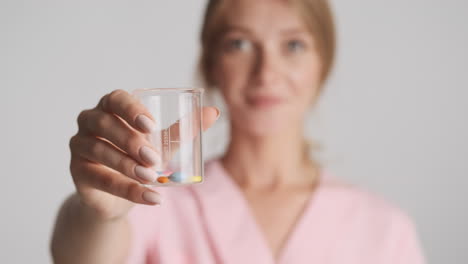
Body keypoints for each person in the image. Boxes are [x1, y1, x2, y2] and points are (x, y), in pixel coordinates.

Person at [51, 0, 426, 263]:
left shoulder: (385, 228)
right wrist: (100, 215)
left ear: (322, 64)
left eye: (293, 45)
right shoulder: (157, 201)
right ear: (211, 63)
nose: (266, 73)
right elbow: (80, 257)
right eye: (240, 44)